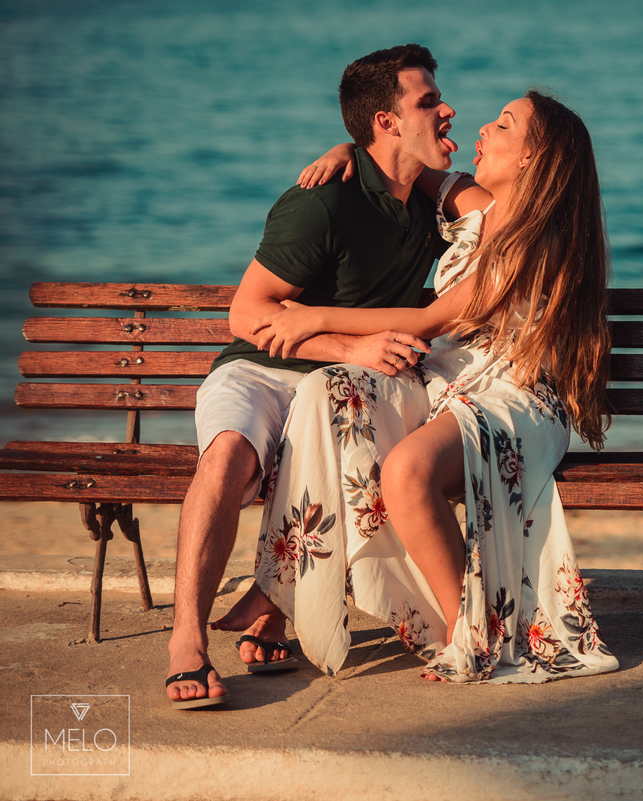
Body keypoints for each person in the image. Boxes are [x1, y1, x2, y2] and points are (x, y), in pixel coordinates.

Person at [211, 90, 619, 684]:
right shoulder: (479, 209)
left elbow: (429, 322)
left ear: (534, 157)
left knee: (404, 471)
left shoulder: (539, 239)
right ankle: (280, 585)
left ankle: (469, 638)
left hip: (515, 399)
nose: (483, 127)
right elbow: (405, 160)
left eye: (503, 125)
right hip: (445, 386)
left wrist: (313, 317)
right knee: (330, 392)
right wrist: (345, 152)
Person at [166, 44, 457, 709]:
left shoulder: (425, 208)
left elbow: (500, 206)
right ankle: (187, 638)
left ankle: (274, 601)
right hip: (261, 370)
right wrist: (348, 346)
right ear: (386, 121)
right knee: (229, 455)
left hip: (336, 388)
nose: (446, 109)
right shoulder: (322, 203)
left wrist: (351, 143)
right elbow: (247, 313)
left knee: (338, 429)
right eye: (427, 102)